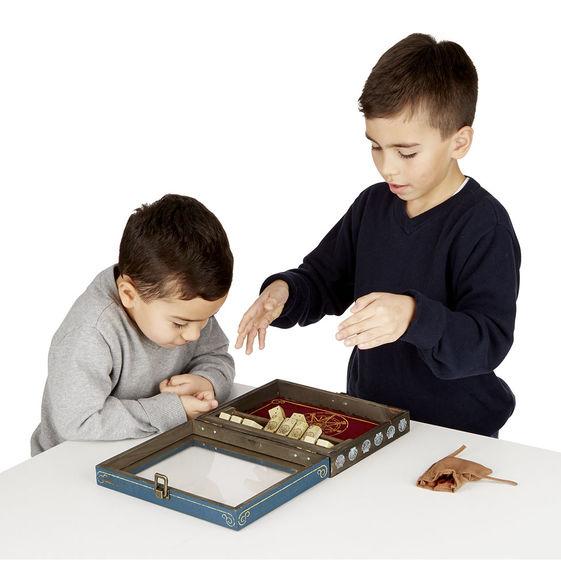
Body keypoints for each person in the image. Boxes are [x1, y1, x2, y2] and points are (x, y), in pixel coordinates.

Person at [235, 33, 520, 438]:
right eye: (376, 147)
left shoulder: (484, 226)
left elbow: (488, 340)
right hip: (372, 418)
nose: (388, 168)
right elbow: (324, 278)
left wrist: (413, 317)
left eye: (407, 152)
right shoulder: (373, 205)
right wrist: (286, 292)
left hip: (457, 432)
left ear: (459, 142)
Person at [31, 194, 235, 455]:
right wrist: (173, 410)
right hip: (69, 462)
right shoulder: (90, 333)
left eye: (206, 319)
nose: (195, 334)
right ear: (129, 295)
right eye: (180, 323)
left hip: (149, 448)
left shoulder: (183, 304)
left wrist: (206, 381)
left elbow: (216, 355)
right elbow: (77, 422)